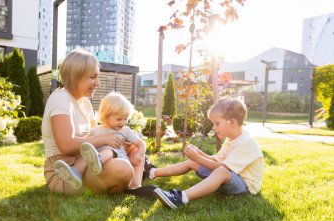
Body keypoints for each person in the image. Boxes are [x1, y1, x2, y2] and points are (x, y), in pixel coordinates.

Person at [41, 48, 143, 195]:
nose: (98, 83)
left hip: (89, 162)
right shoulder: (60, 99)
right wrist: (105, 138)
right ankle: (124, 182)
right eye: (93, 77)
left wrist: (122, 144)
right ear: (76, 76)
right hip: (64, 170)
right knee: (123, 169)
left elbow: (94, 139)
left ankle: (134, 185)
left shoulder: (85, 103)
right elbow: (66, 146)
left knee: (132, 151)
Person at [152, 97, 264, 209]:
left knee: (221, 171)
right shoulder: (231, 139)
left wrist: (198, 158)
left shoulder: (246, 143)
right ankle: (153, 172)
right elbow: (216, 160)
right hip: (229, 178)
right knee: (193, 162)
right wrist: (199, 154)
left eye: (217, 123)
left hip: (245, 187)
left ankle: (181, 198)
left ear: (232, 123)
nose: (214, 127)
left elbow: (223, 168)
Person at [87, 92, 146, 189]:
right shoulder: (96, 130)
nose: (123, 122)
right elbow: (87, 143)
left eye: (125, 119)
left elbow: (140, 143)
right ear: (106, 116)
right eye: (119, 119)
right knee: (106, 149)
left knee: (108, 150)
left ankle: (135, 185)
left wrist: (139, 153)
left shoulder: (125, 130)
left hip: (121, 161)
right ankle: (96, 164)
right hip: (106, 168)